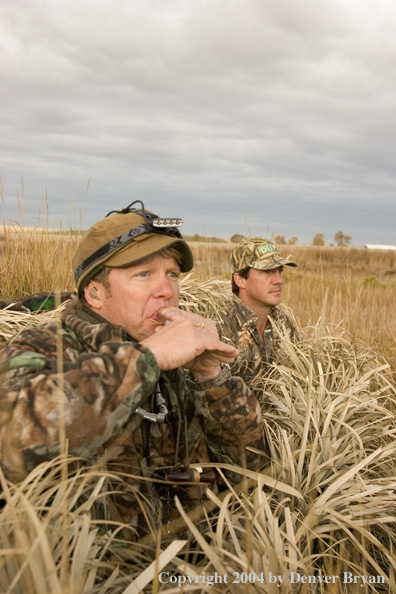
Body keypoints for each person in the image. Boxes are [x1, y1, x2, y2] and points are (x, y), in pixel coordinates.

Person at [0, 202, 264, 538]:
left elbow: (254, 472)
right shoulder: (42, 349)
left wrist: (211, 376)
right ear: (95, 293)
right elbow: (14, 447)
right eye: (144, 274)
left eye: (172, 274)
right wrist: (146, 359)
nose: (167, 291)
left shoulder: (179, 362)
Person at [216, 237, 298, 386]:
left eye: (280, 270)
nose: (279, 280)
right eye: (267, 271)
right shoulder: (221, 329)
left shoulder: (283, 324)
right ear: (240, 280)